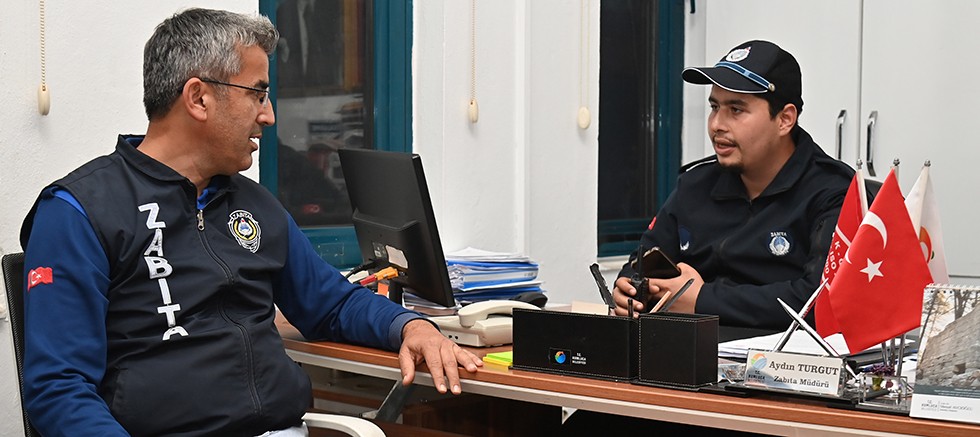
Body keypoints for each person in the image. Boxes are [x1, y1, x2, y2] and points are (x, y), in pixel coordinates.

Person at [19, 8, 480, 436]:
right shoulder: (79, 210)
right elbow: (59, 388)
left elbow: (333, 305)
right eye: (257, 93)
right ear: (198, 98)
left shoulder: (253, 203)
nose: (269, 115)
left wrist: (410, 327)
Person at [612, 40, 853, 330]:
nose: (717, 124)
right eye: (714, 107)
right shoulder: (695, 184)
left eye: (736, 110)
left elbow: (821, 299)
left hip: (780, 355)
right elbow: (642, 261)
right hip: (686, 348)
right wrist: (629, 288)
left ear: (784, 119)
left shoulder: (833, 192)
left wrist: (703, 300)